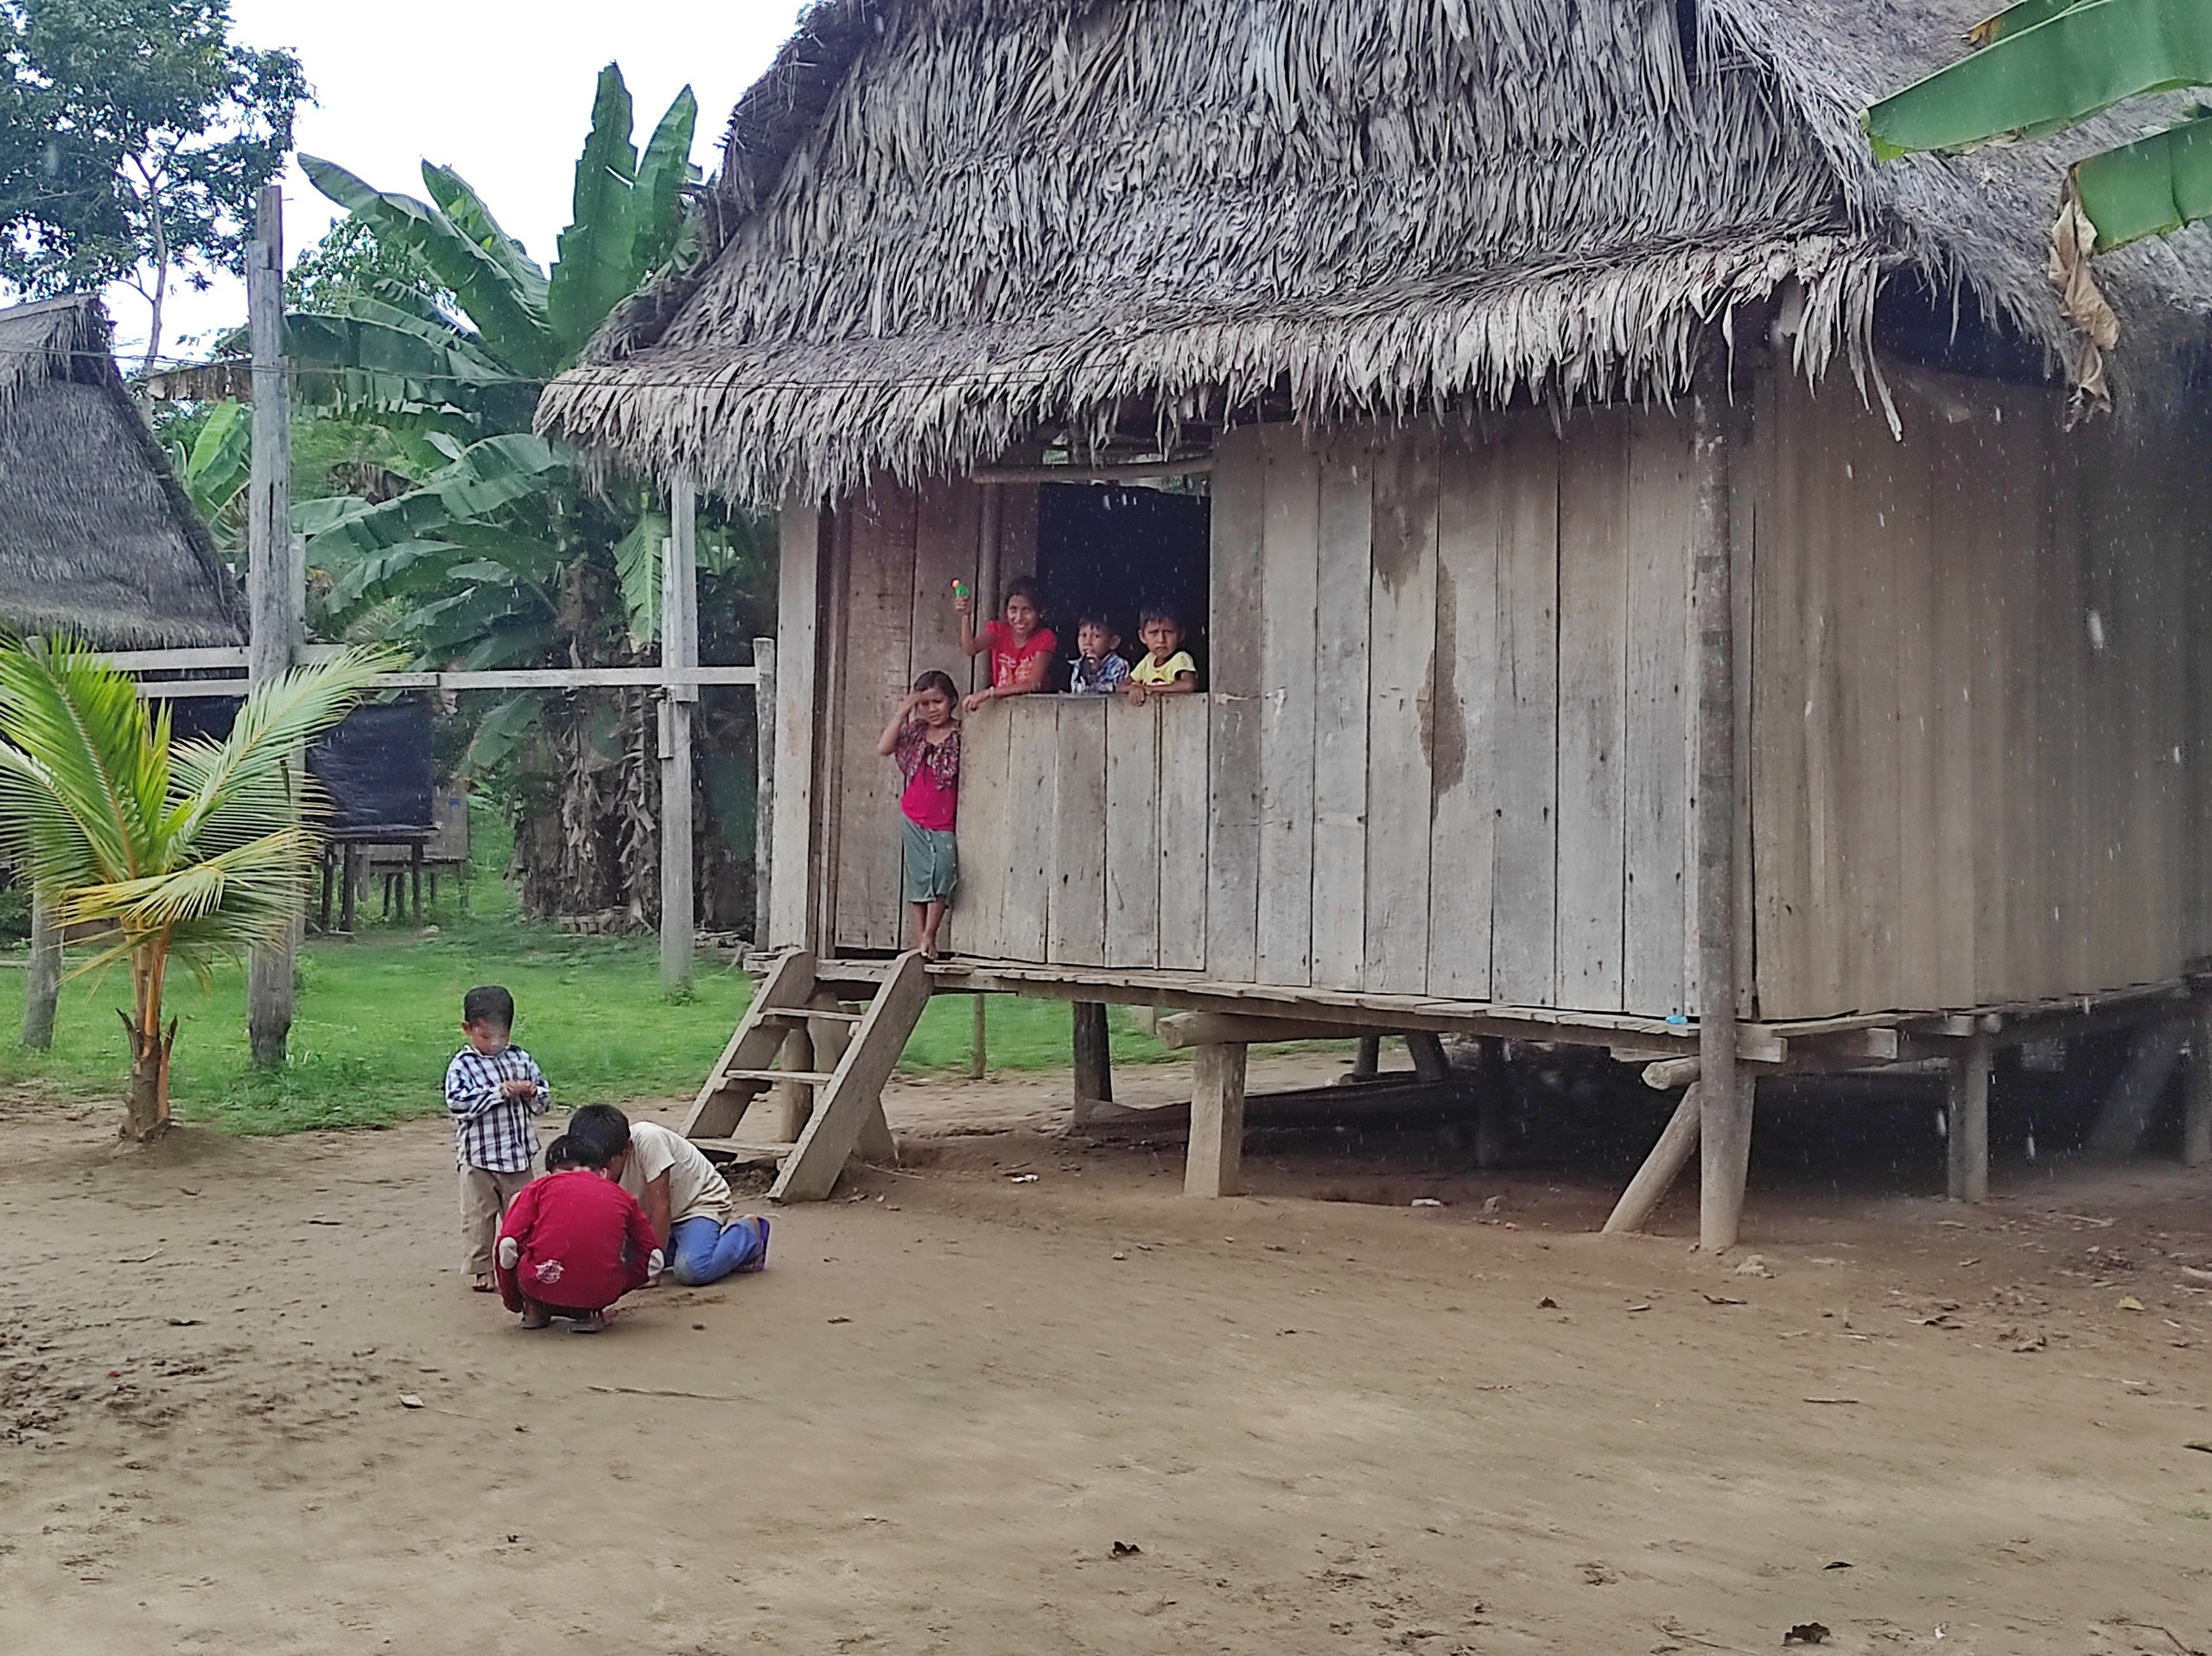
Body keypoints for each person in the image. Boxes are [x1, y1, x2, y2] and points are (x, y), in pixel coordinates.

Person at [569, 1105, 771, 1287]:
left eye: (607, 1164)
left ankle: (749, 1233)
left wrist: (652, 1270)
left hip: (696, 1204)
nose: (600, 1173)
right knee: (614, 1261)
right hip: (651, 1214)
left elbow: (662, 1207)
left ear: (628, 1148)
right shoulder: (579, 1160)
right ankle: (676, 1245)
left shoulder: (649, 1140)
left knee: (691, 1269)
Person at [493, 1132, 663, 1333]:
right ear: (603, 1173)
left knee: (516, 1243)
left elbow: (508, 1243)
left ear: (549, 1174)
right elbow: (651, 1253)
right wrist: (620, 1286)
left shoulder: (538, 1188)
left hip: (539, 1288)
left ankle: (533, 1312)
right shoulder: (623, 1196)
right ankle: (591, 1313)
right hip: (599, 1293)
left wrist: (513, 1301)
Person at [445, 984, 551, 1293]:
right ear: (468, 1029)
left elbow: (544, 1100)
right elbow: (457, 1103)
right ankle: (482, 1269)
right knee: (478, 1217)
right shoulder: (463, 1065)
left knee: (524, 1217)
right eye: (485, 1036)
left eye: (501, 1036)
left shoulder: (520, 1059)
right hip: (478, 1159)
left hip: (517, 1157)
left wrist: (532, 1093)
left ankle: (522, 1266)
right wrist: (499, 1092)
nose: (495, 1043)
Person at [878, 669, 962, 959]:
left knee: (943, 873)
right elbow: (883, 747)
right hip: (914, 815)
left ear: (952, 700)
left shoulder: (962, 734)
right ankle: (922, 942)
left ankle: (930, 934)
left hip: (944, 819)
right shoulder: (915, 731)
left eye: (938, 701)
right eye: (924, 704)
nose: (932, 709)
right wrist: (902, 712)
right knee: (918, 877)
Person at [954, 575, 1057, 712]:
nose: (1019, 618)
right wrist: (965, 616)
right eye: (1013, 609)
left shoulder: (1045, 637)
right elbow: (971, 649)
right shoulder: (999, 630)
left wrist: (989, 693)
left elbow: (1033, 684)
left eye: (1026, 610)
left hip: (1034, 712)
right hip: (1004, 711)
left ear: (1040, 612)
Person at [1125, 608, 1198, 705]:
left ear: (1181, 635)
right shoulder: (1148, 660)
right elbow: (1121, 686)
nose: (1161, 639)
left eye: (1168, 632)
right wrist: (1134, 688)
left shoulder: (1180, 658)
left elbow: (1188, 685)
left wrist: (1151, 689)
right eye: (1154, 632)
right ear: (1142, 636)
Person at [1067, 616, 1131, 695]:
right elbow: (1077, 693)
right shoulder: (1078, 666)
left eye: (1096, 636)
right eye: (1084, 635)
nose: (1087, 642)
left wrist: (1096, 673)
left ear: (1113, 642)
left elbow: (1117, 692)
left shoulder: (1119, 665)